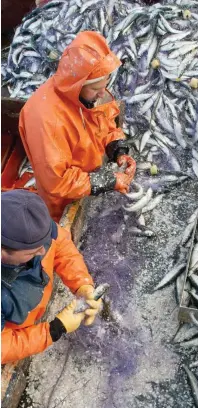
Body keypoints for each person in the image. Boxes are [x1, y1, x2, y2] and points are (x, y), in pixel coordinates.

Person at [19, 30, 136, 222]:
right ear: (77, 85)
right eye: (96, 89)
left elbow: (104, 121)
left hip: (88, 178)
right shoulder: (46, 120)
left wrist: (117, 148)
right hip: (63, 199)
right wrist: (106, 180)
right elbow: (57, 181)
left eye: (104, 85)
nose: (102, 94)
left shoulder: (87, 94)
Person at [1, 190, 102, 364]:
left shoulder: (33, 232)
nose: (43, 251)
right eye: (33, 252)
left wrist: (82, 285)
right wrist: (54, 330)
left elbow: (60, 243)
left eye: (44, 242)